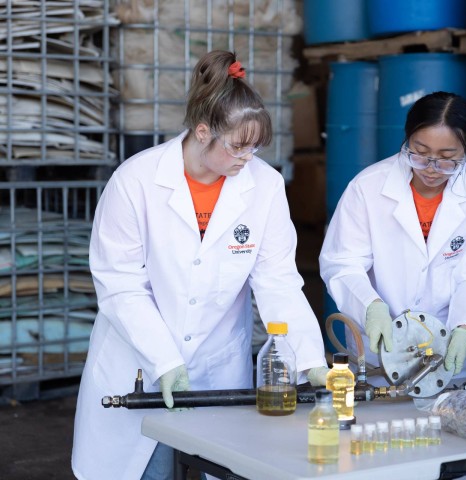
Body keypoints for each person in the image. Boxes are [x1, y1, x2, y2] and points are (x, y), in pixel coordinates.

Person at [72, 50, 329, 480]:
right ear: (203, 130)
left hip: (216, 365)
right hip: (140, 362)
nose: (248, 158)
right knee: (150, 471)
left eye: (255, 146)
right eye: (237, 146)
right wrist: (164, 359)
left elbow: (278, 280)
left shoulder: (263, 186)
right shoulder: (136, 181)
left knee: (221, 467)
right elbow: (120, 285)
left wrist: (310, 359)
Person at [320, 91, 466, 385]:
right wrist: (371, 305)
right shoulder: (367, 187)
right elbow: (342, 264)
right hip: (381, 354)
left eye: (447, 159)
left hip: (452, 359)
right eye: (419, 153)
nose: (431, 169)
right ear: (406, 140)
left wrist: (464, 326)